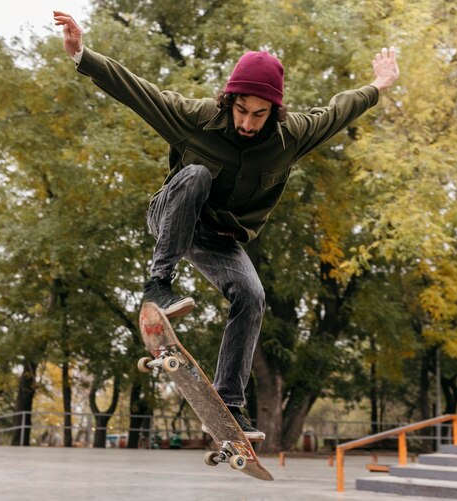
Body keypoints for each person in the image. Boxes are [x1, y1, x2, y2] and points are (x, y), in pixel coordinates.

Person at [53, 11, 399, 441]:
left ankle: (229, 403)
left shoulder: (290, 137)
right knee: (197, 174)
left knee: (252, 294)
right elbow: (138, 92)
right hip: (172, 213)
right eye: (241, 110)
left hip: (217, 238)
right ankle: (158, 285)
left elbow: (336, 112)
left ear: (274, 111)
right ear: (229, 100)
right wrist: (82, 55)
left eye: (259, 115)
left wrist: (377, 86)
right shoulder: (196, 118)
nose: (248, 123)